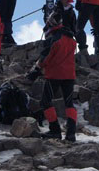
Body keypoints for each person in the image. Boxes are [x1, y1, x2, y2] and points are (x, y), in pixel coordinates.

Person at [27, 13, 78, 142]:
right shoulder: (71, 39)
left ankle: (55, 130)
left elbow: (45, 57)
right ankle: (71, 133)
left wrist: (36, 70)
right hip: (69, 75)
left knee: (45, 101)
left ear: (50, 23)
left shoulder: (54, 39)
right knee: (69, 103)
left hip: (55, 74)